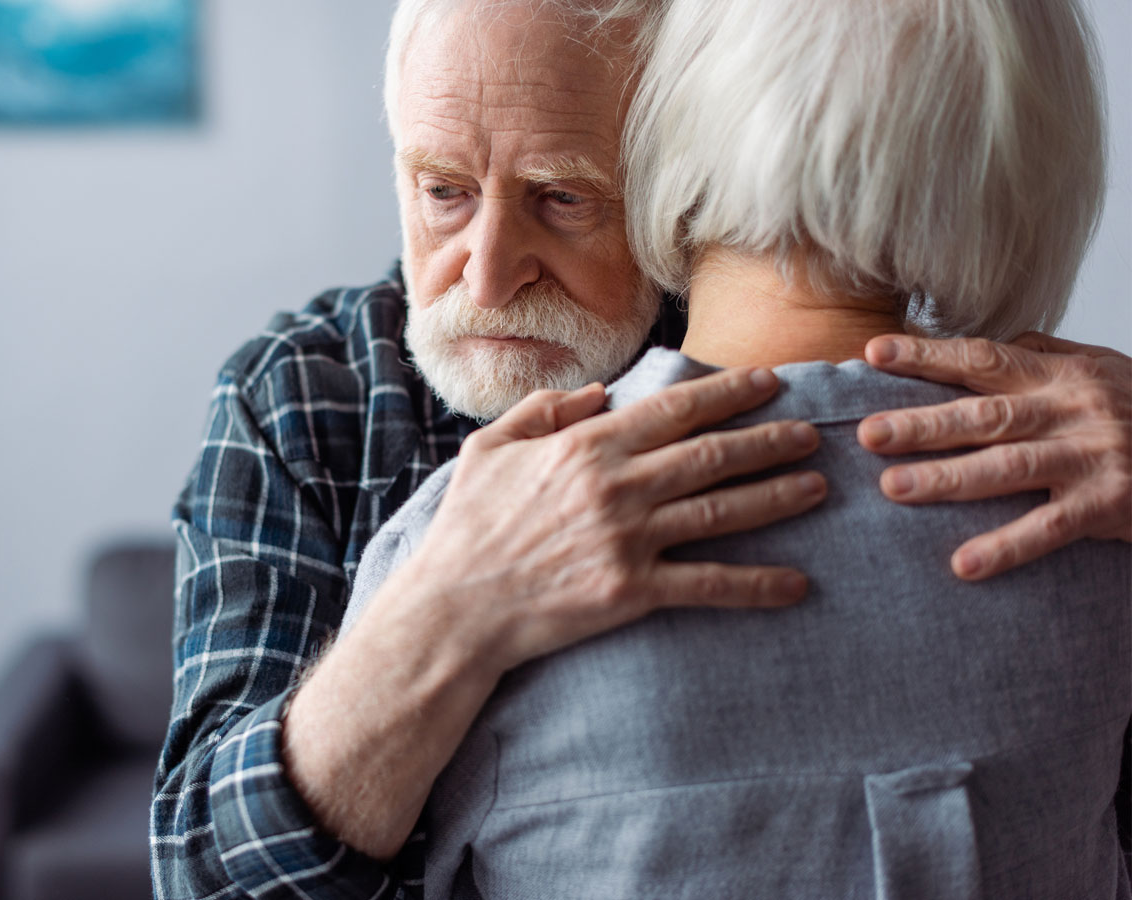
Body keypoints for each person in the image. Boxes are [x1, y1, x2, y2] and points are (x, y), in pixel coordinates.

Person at [150, 1, 1132, 897]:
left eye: (562, 198)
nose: (487, 278)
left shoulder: (908, 386)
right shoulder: (307, 394)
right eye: (442, 191)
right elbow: (202, 878)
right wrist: (444, 616)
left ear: (684, 165)